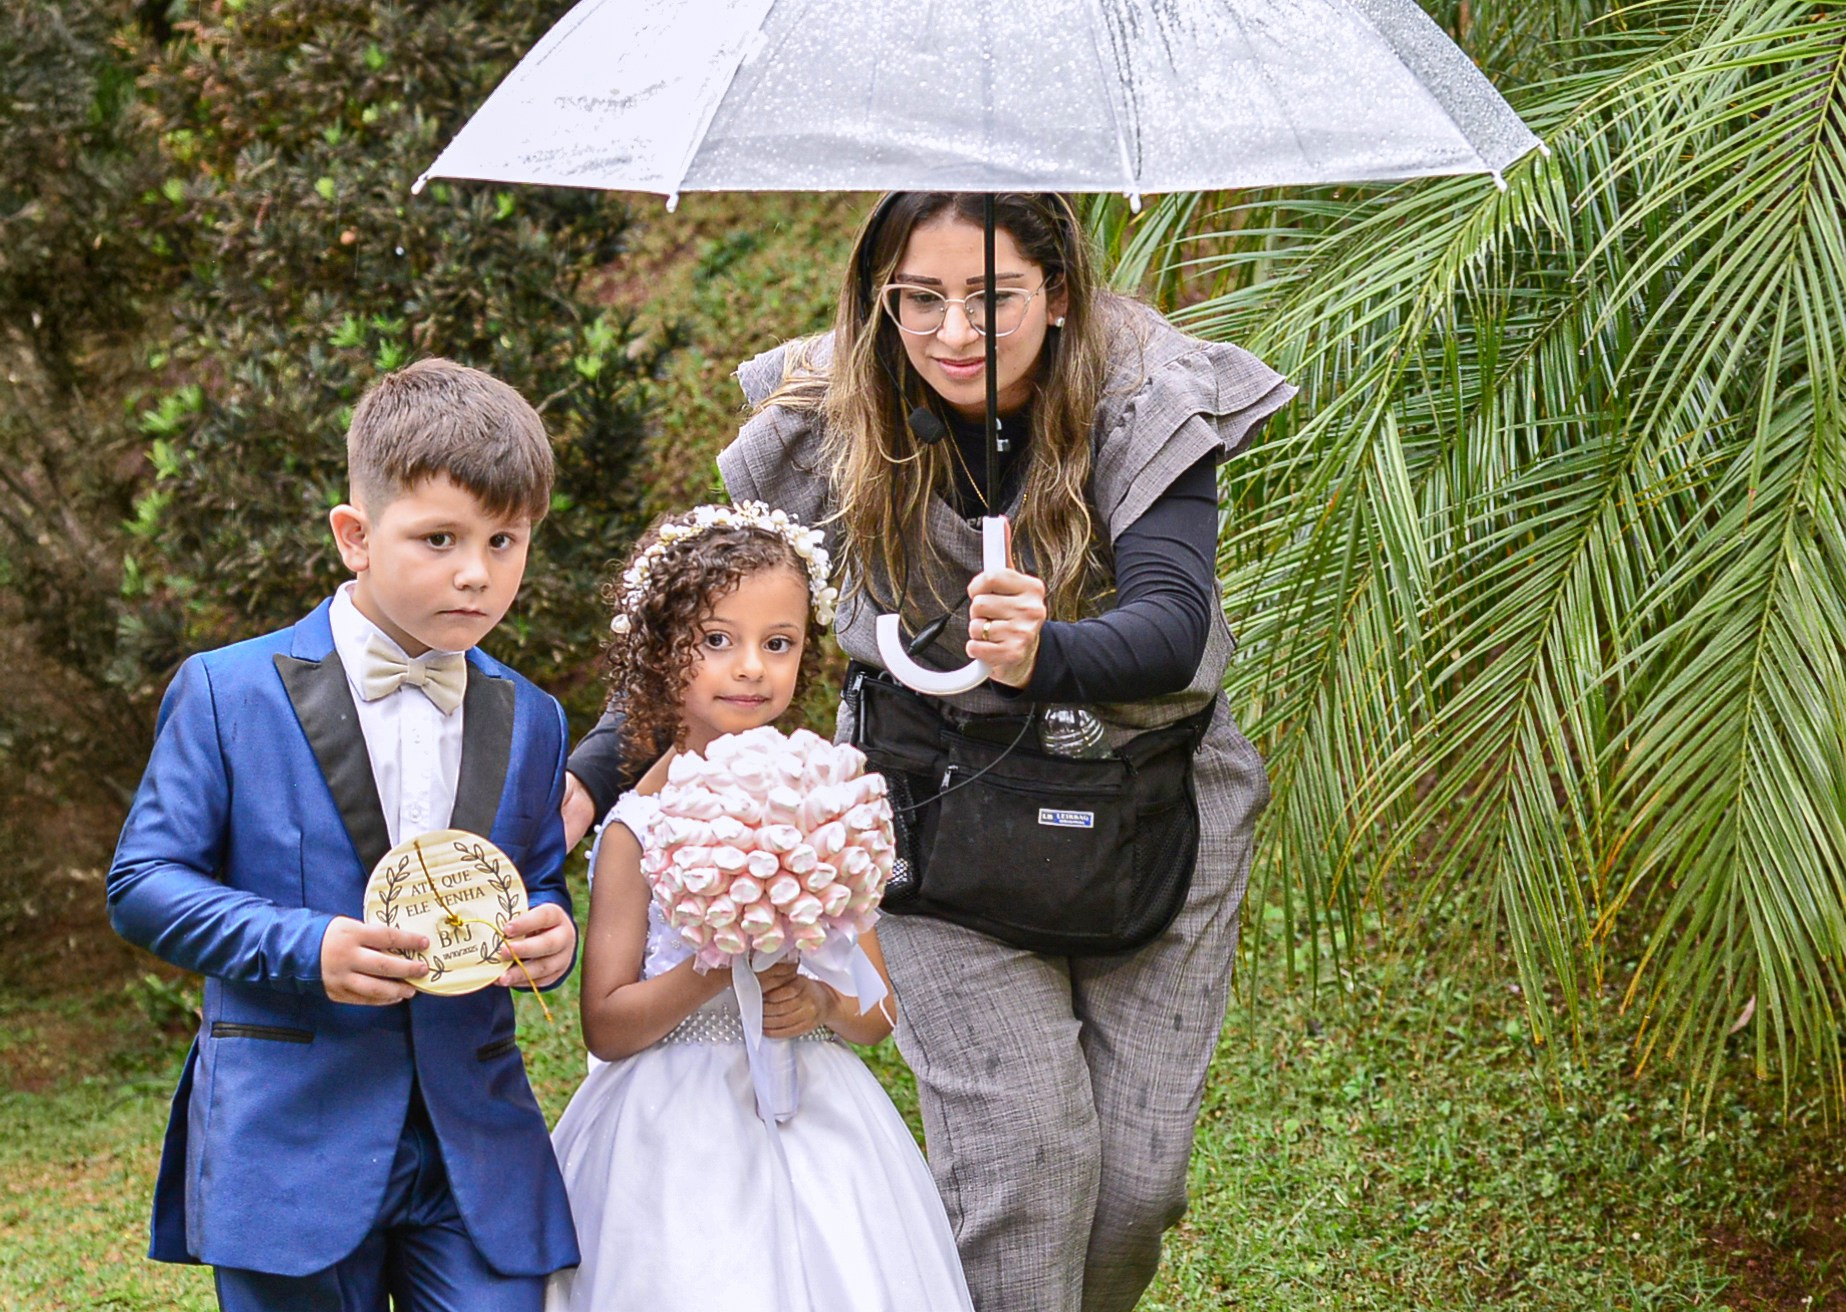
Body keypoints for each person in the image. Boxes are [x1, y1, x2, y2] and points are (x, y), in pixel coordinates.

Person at [563, 192, 1292, 1312]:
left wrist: (1047, 650)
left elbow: (1172, 621)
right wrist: (604, 759)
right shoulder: (838, 401)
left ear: (1057, 289)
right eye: (921, 298)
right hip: (934, 804)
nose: (954, 332)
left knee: (1137, 1189)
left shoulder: (1146, 382)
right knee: (1029, 1162)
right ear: (882, 294)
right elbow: (718, 616)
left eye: (992, 296)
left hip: (1148, 809)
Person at [105, 358, 581, 1311]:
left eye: (505, 540)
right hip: (292, 1135)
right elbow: (145, 881)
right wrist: (307, 944)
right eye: (438, 538)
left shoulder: (530, 716)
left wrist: (549, 929)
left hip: (473, 1143)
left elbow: (534, 877)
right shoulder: (225, 690)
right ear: (355, 537)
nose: (477, 572)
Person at [544, 503, 972, 1312]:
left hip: (814, 1107)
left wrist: (816, 1000)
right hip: (670, 1126)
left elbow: (874, 1013)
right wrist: (717, 963)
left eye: (777, 643)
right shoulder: (639, 824)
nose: (751, 667)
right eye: (717, 640)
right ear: (660, 651)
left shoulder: (829, 805)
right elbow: (606, 1023)